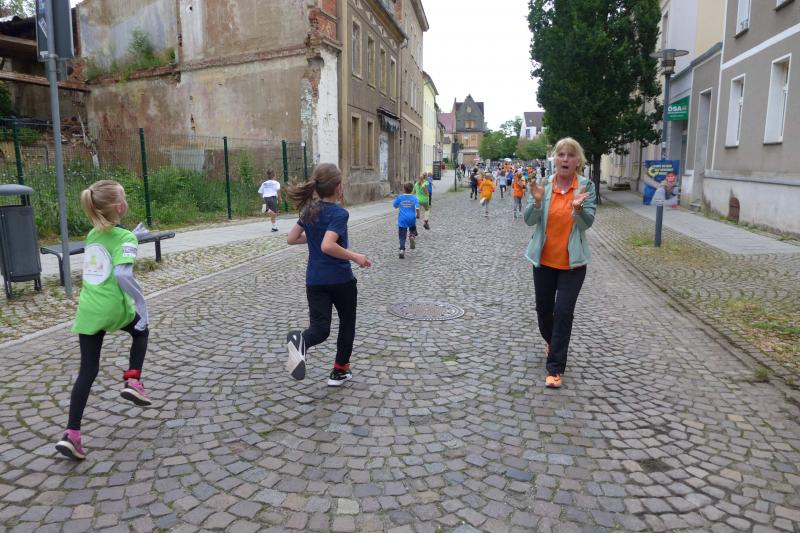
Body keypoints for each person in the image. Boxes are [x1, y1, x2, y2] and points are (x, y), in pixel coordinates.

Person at [55, 180, 151, 461]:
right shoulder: (124, 237)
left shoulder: (93, 234)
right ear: (120, 207)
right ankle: (133, 381)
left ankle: (71, 434)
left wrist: (132, 237)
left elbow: (110, 246)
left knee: (87, 370)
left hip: (88, 309)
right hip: (113, 307)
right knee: (141, 332)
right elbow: (122, 274)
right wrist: (141, 304)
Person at [284, 163, 372, 386]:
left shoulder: (309, 210)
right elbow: (327, 245)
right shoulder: (340, 213)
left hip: (315, 280)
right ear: (339, 188)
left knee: (320, 329)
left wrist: (314, 236)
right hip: (340, 280)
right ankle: (339, 371)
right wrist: (356, 257)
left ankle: (301, 342)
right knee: (347, 324)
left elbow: (292, 238)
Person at [524, 137, 595, 389]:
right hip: (543, 261)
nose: (565, 159)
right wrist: (537, 202)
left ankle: (555, 368)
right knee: (544, 310)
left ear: (578, 161)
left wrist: (578, 209)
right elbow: (529, 220)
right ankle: (552, 341)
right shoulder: (544, 185)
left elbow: (587, 223)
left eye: (570, 155)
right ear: (555, 159)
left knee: (563, 313)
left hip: (572, 265)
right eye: (561, 154)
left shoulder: (585, 186)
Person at [393, 182, 420, 258]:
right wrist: (418, 215)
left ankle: (402, 250)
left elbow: (395, 205)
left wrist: (398, 202)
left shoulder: (400, 197)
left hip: (402, 219)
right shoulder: (414, 198)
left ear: (404, 189)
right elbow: (417, 208)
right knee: (413, 229)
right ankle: (412, 236)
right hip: (411, 218)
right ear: (412, 189)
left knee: (402, 236)